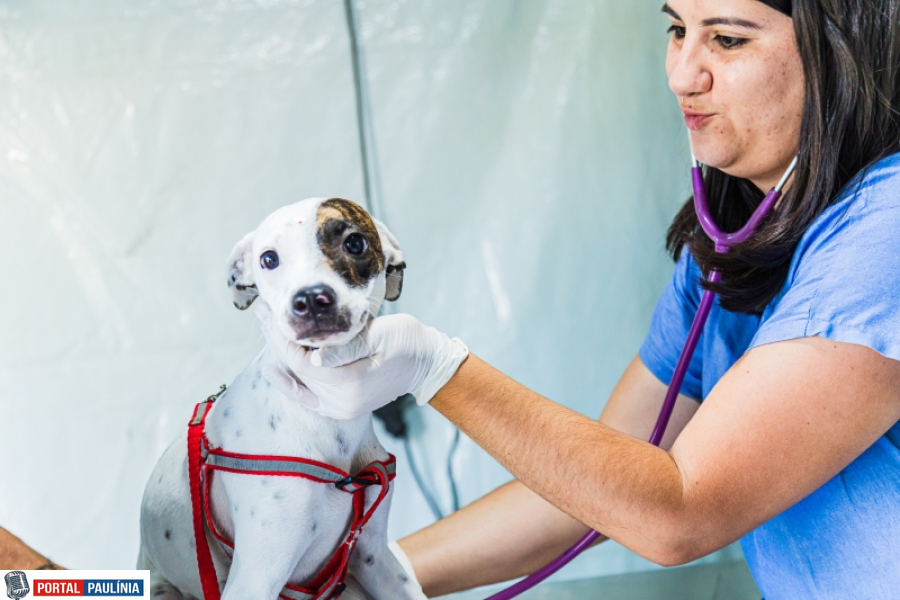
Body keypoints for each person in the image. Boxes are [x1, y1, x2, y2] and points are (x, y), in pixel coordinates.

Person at [260, 0, 900, 598]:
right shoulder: (730, 244)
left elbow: (676, 511)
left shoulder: (885, 233)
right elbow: (597, 488)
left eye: (727, 40)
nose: (682, 75)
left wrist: (433, 366)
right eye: (677, 30)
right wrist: (354, 578)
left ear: (844, 53)